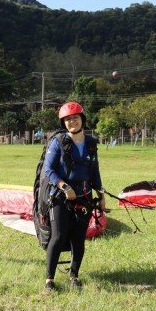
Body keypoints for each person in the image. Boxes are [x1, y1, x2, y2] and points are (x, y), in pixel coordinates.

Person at [42, 101, 106, 292]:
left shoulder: (91, 144)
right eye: (68, 120)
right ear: (64, 123)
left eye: (75, 118)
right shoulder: (58, 142)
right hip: (61, 196)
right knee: (59, 236)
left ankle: (73, 276)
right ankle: (49, 281)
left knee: (79, 238)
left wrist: (100, 193)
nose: (72, 122)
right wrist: (64, 186)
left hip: (84, 196)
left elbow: (94, 171)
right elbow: (49, 169)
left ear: (82, 120)